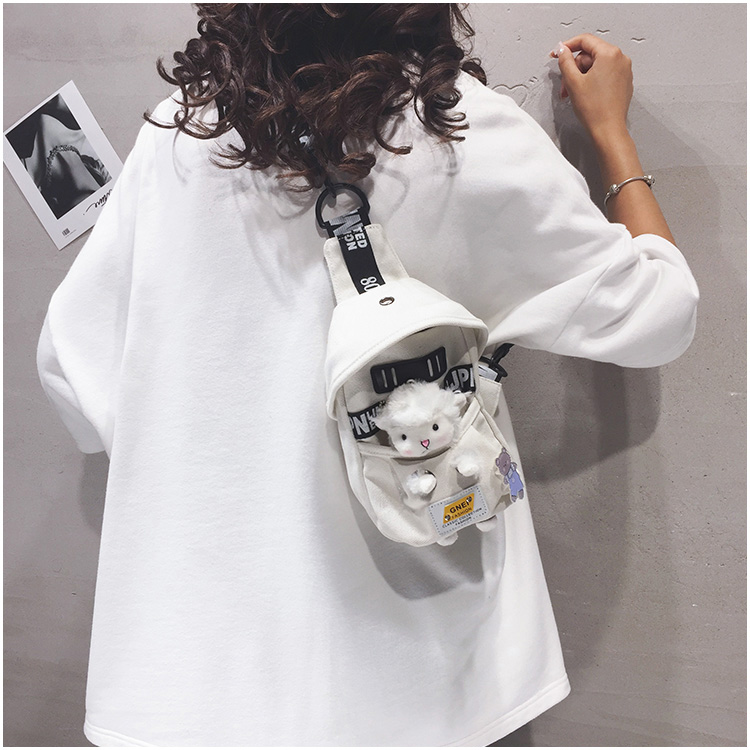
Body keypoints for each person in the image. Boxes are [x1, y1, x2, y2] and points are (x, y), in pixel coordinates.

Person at [35, 6, 698, 747]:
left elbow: (70, 367)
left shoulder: (179, 138)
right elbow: (660, 312)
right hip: (419, 667)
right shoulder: (459, 134)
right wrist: (610, 133)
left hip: (197, 671)